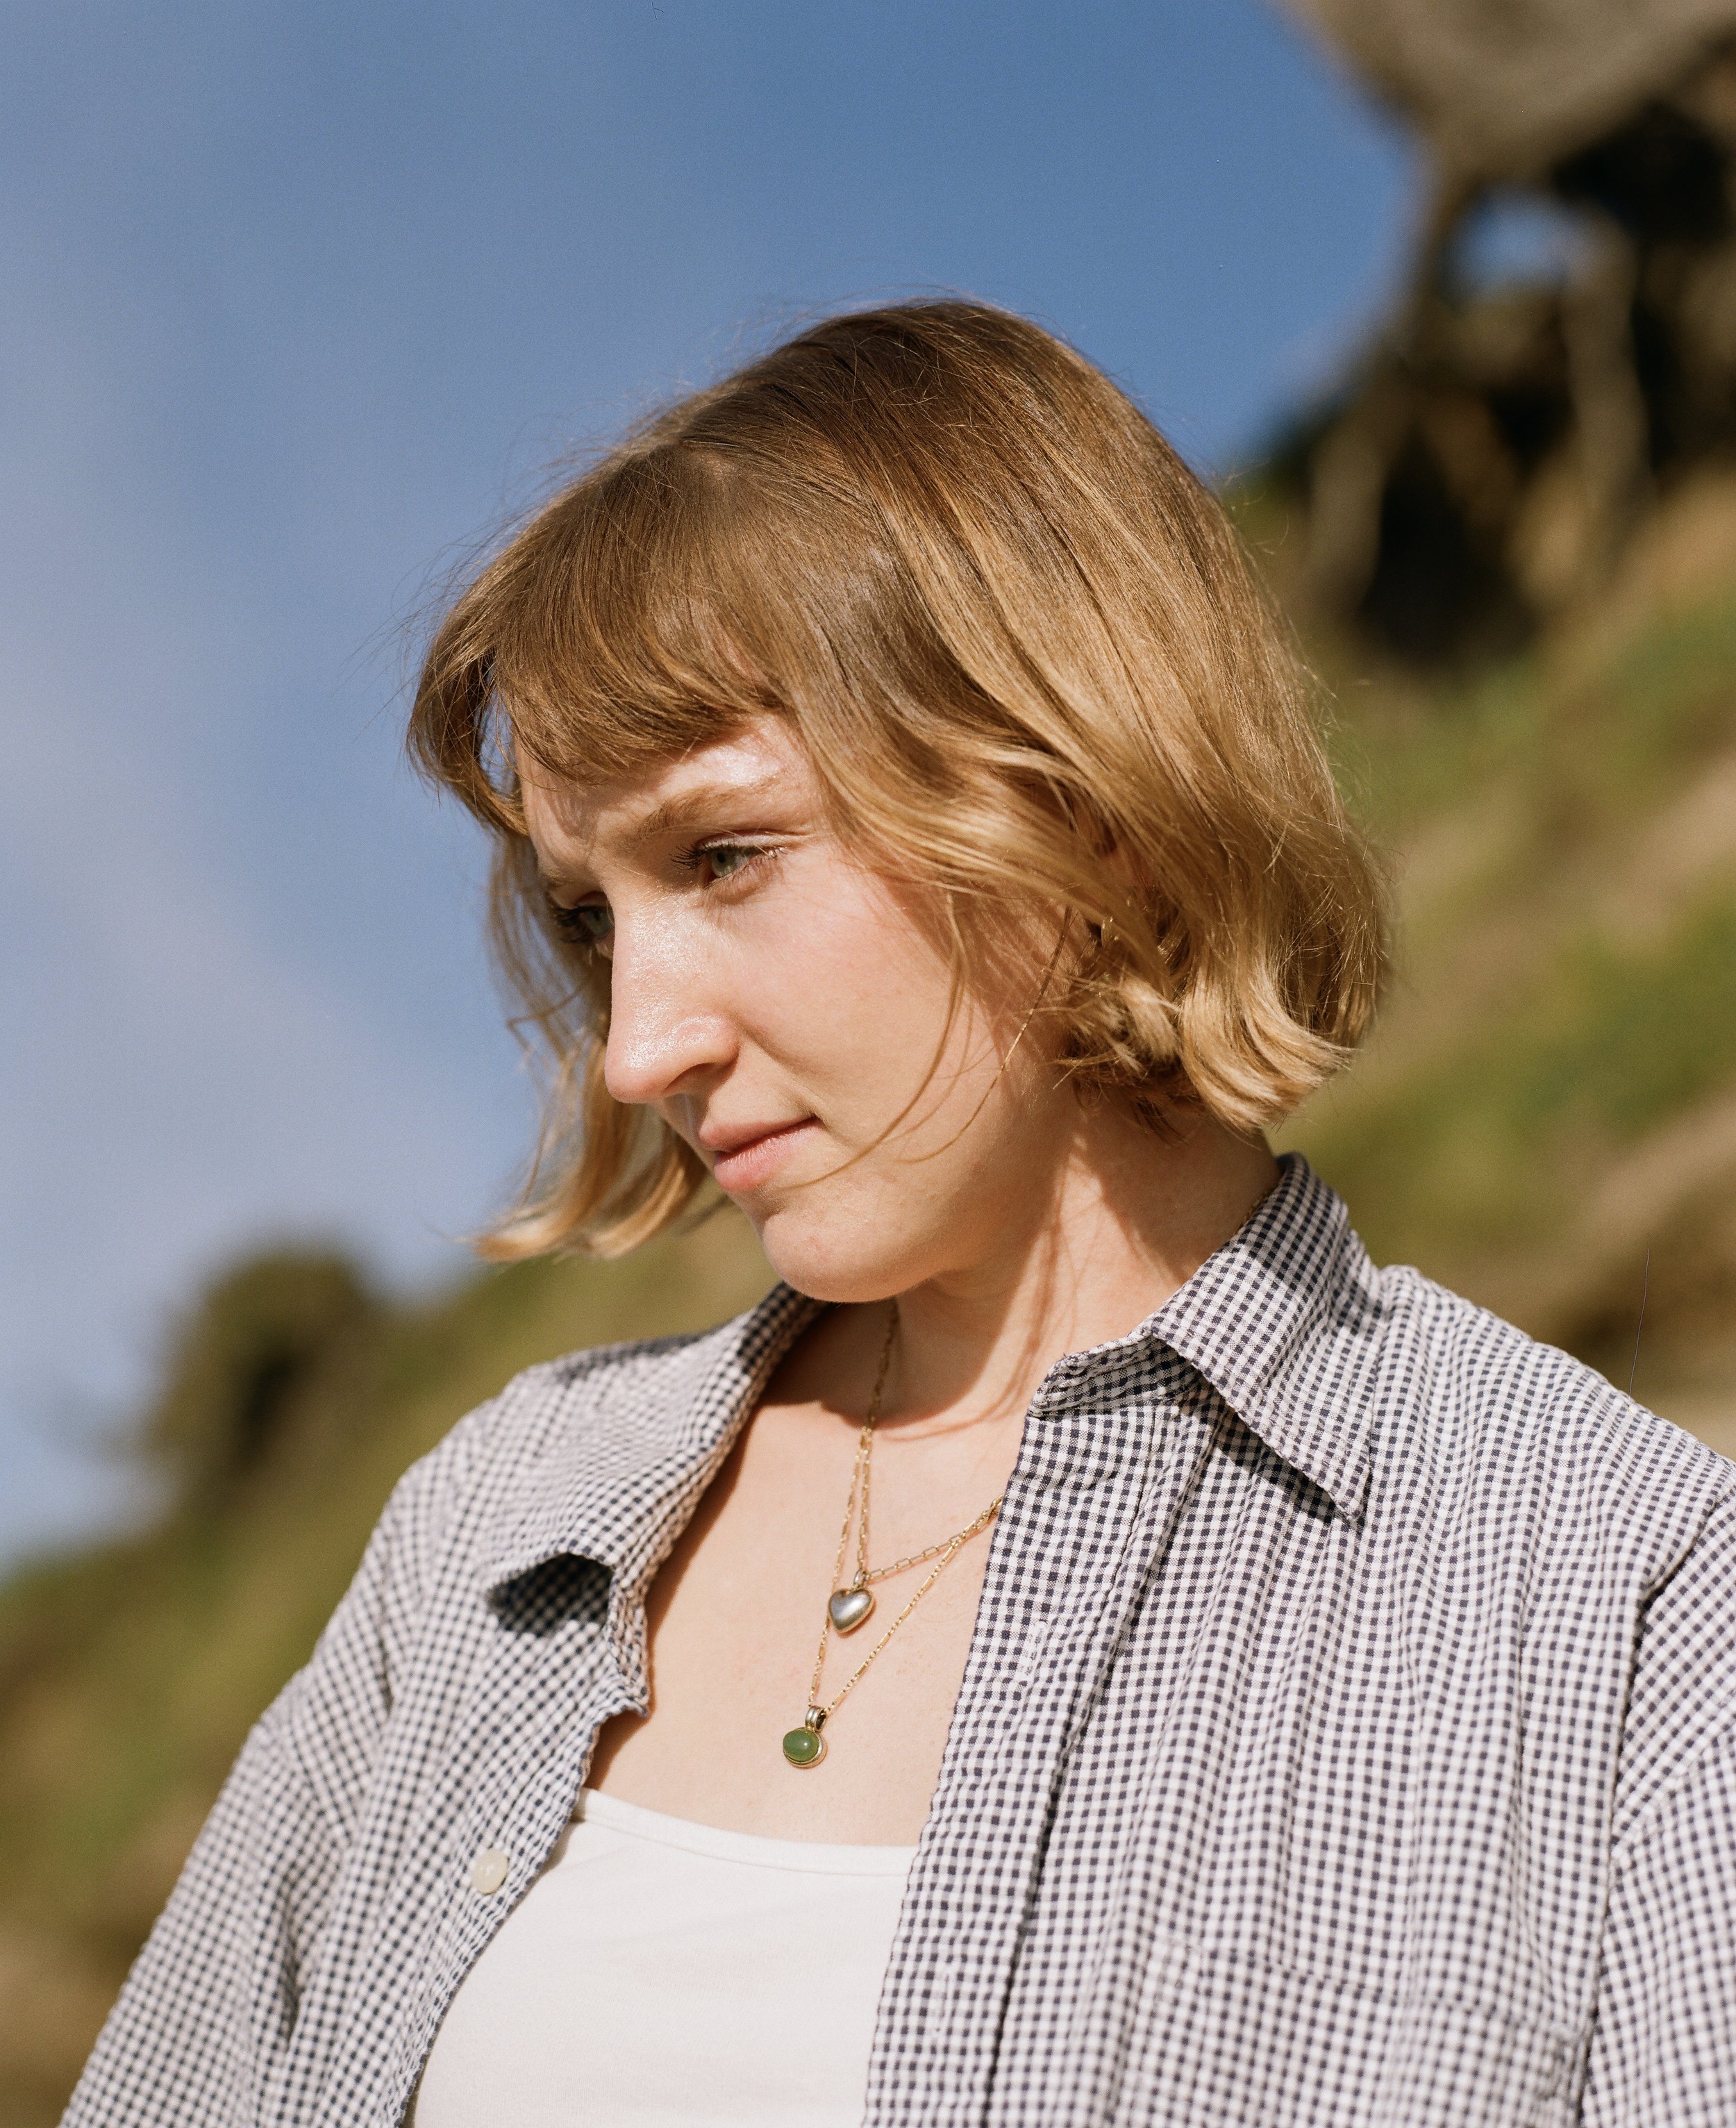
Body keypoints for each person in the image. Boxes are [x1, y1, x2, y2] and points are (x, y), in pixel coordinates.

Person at [65, 302, 1735, 2128]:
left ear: (1086, 796)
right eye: (595, 918)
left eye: (724, 854)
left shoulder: (1612, 1596)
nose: (638, 1047)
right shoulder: (499, 1526)